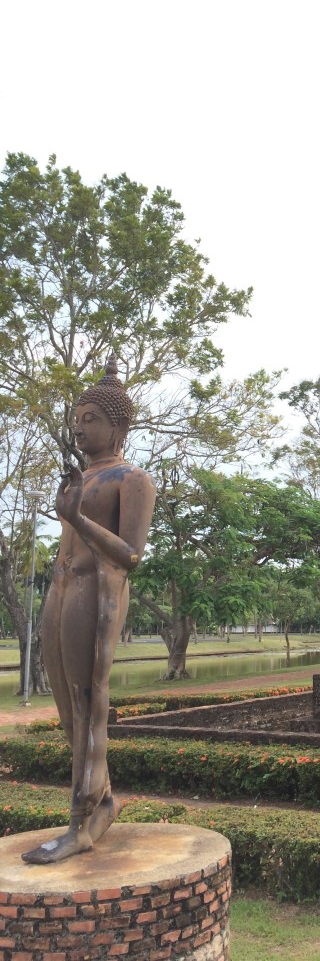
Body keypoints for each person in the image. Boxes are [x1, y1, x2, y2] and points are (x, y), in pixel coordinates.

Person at [22, 357, 155, 864]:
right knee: (66, 708)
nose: (80, 427)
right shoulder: (81, 477)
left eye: (91, 419)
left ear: (118, 425)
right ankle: (102, 802)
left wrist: (76, 517)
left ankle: (81, 823)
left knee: (87, 700)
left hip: (96, 590)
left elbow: (131, 555)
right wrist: (69, 512)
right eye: (76, 419)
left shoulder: (133, 479)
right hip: (60, 591)